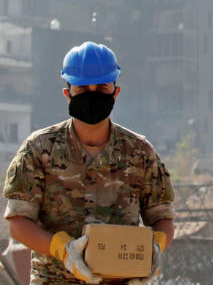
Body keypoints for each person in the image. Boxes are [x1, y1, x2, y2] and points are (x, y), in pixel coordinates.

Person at [4, 42, 175, 285]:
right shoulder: (39, 150)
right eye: (83, 89)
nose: (92, 94)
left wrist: (154, 249)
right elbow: (19, 224)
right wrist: (64, 250)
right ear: (68, 94)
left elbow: (163, 219)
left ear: (115, 93)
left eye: (101, 87)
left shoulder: (140, 153)